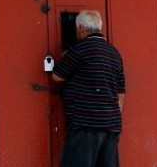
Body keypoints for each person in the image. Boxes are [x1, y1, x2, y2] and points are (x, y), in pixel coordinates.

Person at [51, 10, 126, 167]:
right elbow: (121, 92)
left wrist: (64, 56)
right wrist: (108, 116)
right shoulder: (114, 53)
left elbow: (57, 76)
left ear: (80, 28)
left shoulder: (80, 49)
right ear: (99, 27)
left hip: (86, 124)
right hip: (111, 125)